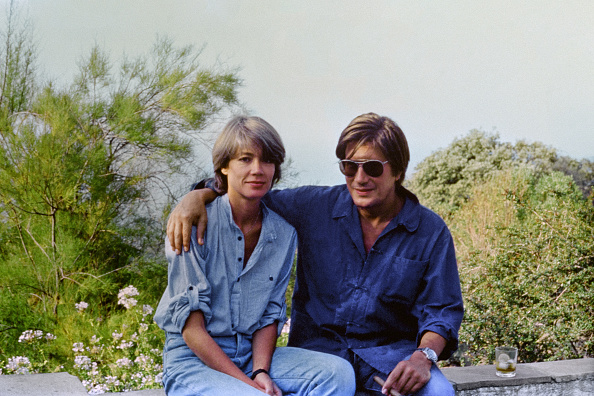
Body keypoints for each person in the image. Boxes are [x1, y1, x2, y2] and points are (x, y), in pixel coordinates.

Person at [166, 113, 464, 395]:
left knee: (438, 391)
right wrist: (196, 196)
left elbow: (442, 310)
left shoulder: (429, 231)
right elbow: (249, 192)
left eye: (372, 167)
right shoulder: (313, 206)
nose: (360, 178)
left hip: (388, 357)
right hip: (320, 351)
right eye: (349, 166)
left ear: (398, 171)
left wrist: (422, 358)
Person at [154, 115, 356, 396]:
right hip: (193, 362)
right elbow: (192, 330)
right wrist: (248, 385)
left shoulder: (283, 234)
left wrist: (260, 371)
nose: (258, 170)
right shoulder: (193, 223)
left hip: (251, 356)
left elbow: (269, 316)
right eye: (245, 159)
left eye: (267, 160)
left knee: (337, 374)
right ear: (224, 166)